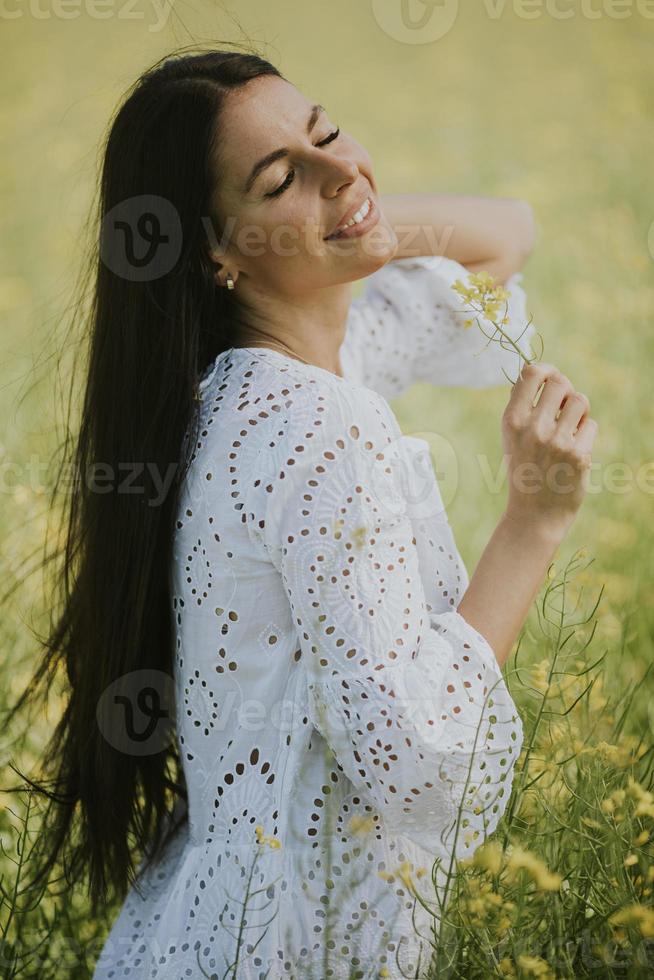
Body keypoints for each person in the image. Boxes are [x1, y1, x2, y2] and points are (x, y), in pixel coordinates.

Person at [7, 48, 597, 980]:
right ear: (212, 252)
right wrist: (536, 518)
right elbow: (417, 759)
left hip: (210, 933)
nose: (337, 167)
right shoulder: (319, 426)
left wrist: (341, 211)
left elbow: (504, 234)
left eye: (326, 131)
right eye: (281, 179)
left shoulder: (266, 382)